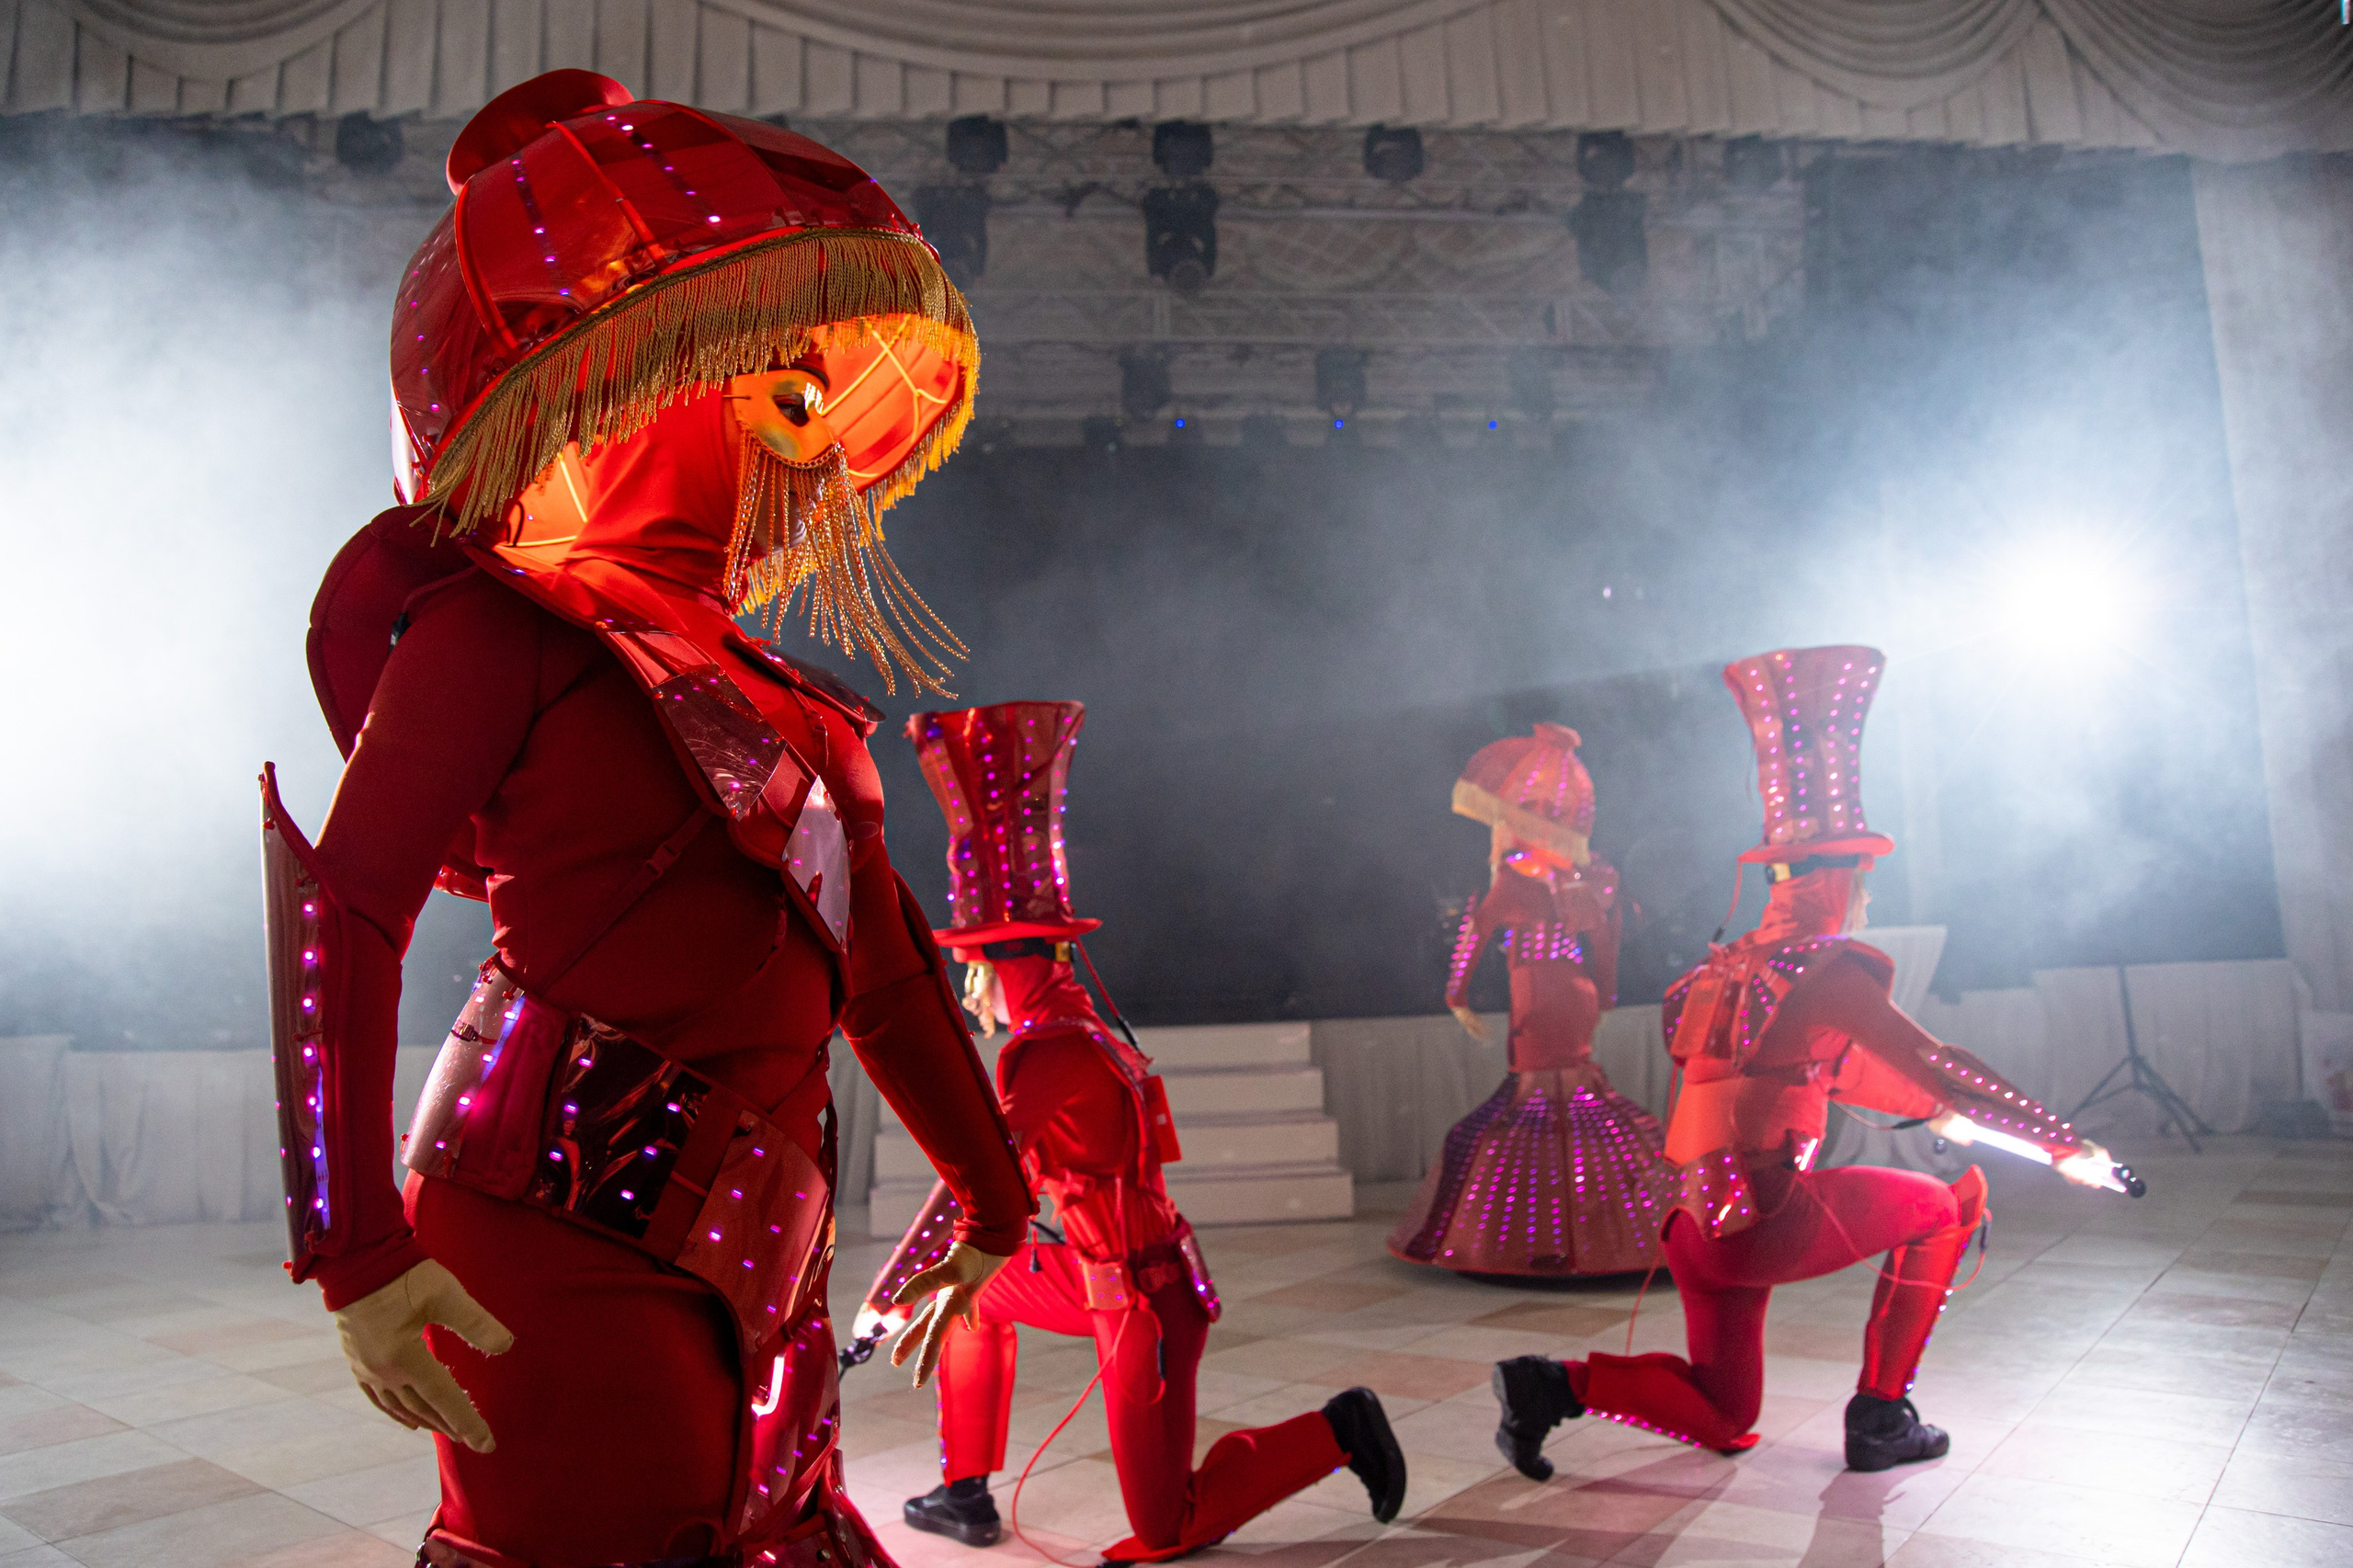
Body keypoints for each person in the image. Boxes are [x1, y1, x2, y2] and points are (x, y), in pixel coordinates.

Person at [258, 68, 1033, 1568]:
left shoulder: (800, 711)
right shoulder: (496, 632)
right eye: (770, 376)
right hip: (544, 1235)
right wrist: (355, 1252)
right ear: (646, 372)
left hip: (765, 1243)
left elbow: (884, 981)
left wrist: (992, 1195)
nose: (805, 432)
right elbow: (339, 912)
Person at [1487, 647, 2116, 1476]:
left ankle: (1550, 1387)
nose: (1869, 893)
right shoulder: (1825, 967)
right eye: (1864, 871)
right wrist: (2065, 1143)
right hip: (1759, 1220)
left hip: (1693, 1226)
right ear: (1839, 877)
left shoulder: (1726, 967)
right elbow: (1941, 1061)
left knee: (1724, 1412)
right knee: (1950, 1203)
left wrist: (1934, 1111)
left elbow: (1810, 1069)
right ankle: (1883, 1416)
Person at [856, 701, 1407, 1563]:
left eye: (970, 968)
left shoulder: (1045, 1058)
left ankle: (1337, 1430)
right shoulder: (1080, 1028)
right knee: (969, 1295)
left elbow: (983, 1189)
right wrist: (920, 1282)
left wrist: (882, 1298)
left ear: (1002, 966)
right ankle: (963, 1491)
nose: (969, 993)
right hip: (1094, 1272)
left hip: (1141, 1302)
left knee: (1166, 1527)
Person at [1389, 723, 1673, 1277]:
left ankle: (1541, 1237)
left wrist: (1458, 998)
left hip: (1539, 997)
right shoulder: (1592, 878)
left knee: (1541, 1108)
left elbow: (1473, 939)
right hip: (1578, 995)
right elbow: (1606, 948)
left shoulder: (1513, 880)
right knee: (1578, 1103)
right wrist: (1608, 996)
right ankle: (1612, 1232)